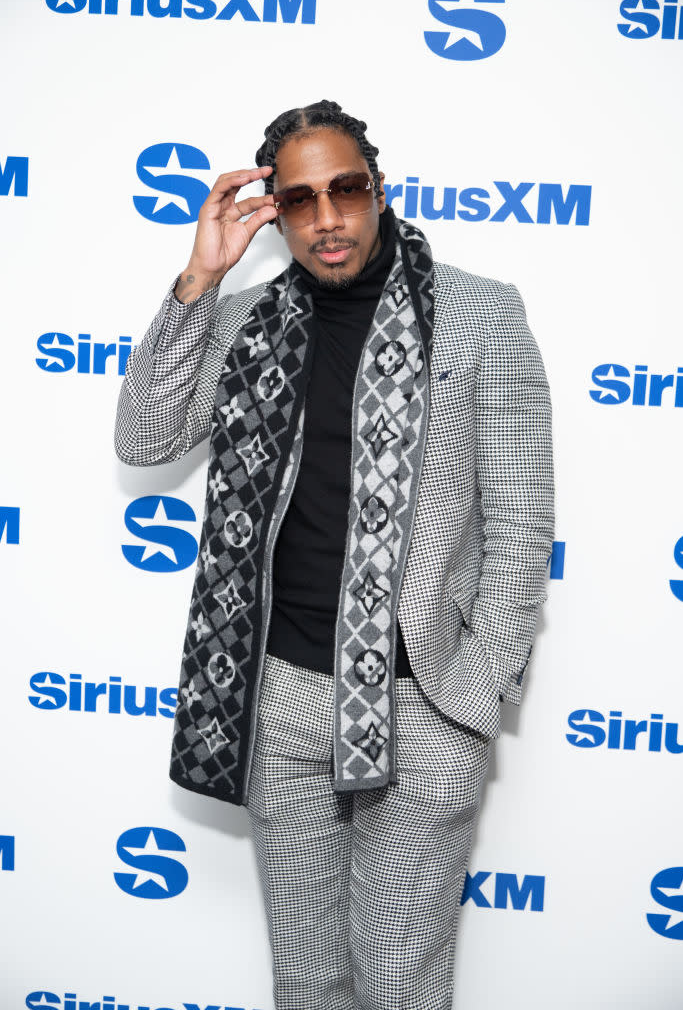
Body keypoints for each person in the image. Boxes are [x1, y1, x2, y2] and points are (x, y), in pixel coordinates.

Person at [114, 99, 554, 1010]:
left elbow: (519, 522)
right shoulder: (243, 323)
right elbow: (146, 438)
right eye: (300, 198)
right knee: (308, 981)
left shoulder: (478, 316)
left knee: (397, 978)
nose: (326, 219)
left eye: (345, 190)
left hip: (419, 701)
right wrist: (200, 277)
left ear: (378, 191)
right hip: (280, 699)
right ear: (273, 209)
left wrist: (469, 692)